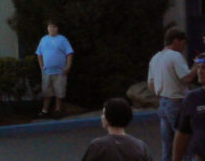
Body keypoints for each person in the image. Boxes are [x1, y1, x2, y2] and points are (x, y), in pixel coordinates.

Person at [148, 28, 197, 161]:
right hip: (177, 102)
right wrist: (197, 65)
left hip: (163, 102)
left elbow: (151, 84)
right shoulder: (175, 56)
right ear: (176, 41)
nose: (184, 47)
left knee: (168, 145)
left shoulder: (155, 58)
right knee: (184, 142)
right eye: (183, 43)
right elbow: (186, 78)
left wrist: (163, 91)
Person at [79, 98, 150, 161]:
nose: (102, 116)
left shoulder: (97, 146)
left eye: (104, 113)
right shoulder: (140, 146)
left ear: (107, 118)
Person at [35, 19, 74, 118]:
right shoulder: (44, 39)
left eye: (54, 27)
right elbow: (39, 54)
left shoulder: (62, 39)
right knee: (47, 93)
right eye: (50, 27)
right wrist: (41, 66)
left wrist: (68, 66)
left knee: (59, 92)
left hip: (60, 72)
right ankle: (45, 111)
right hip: (47, 72)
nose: (52, 29)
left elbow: (69, 53)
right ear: (47, 28)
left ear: (57, 28)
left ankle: (58, 110)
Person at [174, 57, 205, 161]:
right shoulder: (192, 98)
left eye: (204, 68)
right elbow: (182, 133)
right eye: (199, 68)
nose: (200, 71)